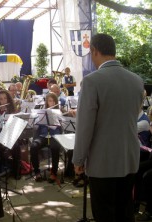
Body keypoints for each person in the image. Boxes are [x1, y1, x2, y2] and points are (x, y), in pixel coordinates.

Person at [72, 33, 144, 222]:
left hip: (102, 161)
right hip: (129, 158)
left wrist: (78, 158)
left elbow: (85, 126)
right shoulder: (136, 80)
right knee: (125, 210)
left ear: (94, 51)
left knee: (104, 213)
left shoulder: (92, 81)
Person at [30, 92, 62, 184]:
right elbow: (37, 128)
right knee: (33, 146)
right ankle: (37, 172)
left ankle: (54, 172)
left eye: (52, 101)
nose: (50, 103)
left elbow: (62, 126)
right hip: (43, 135)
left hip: (55, 135)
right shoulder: (42, 112)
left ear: (55, 102)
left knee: (55, 147)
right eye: (49, 101)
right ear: (46, 102)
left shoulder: (59, 111)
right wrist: (35, 121)